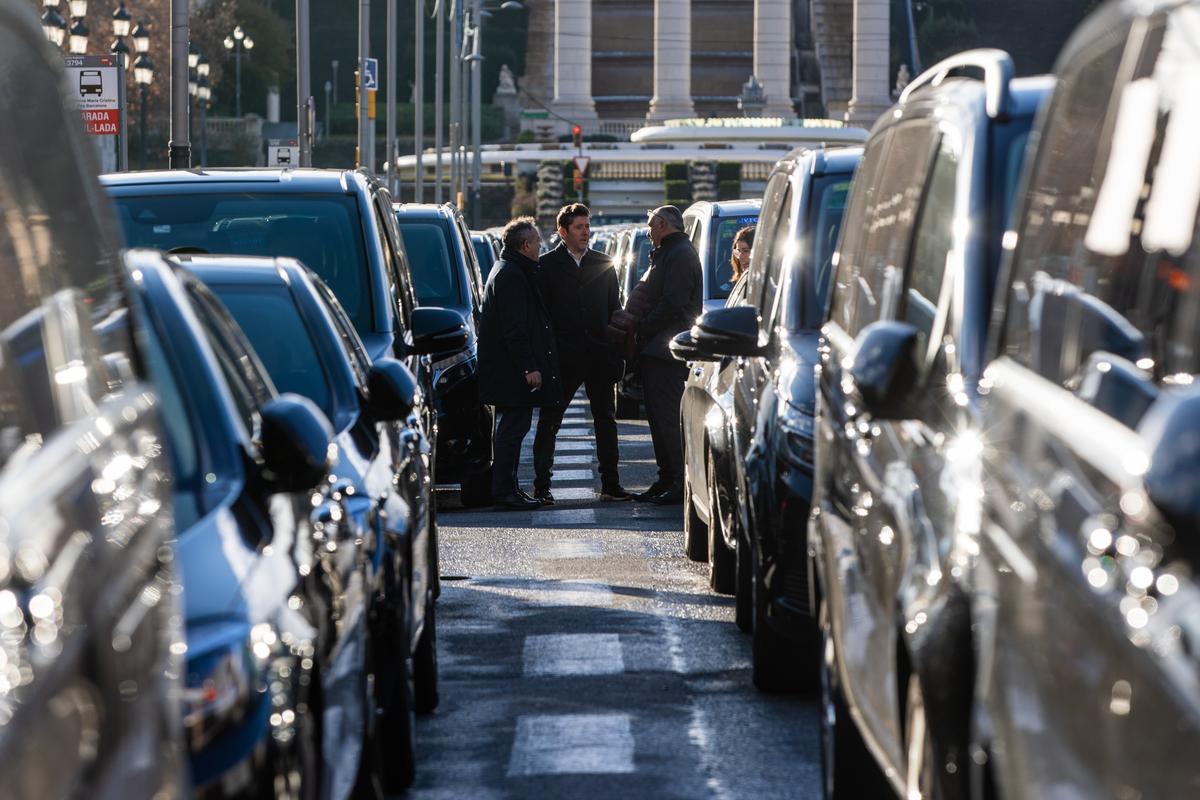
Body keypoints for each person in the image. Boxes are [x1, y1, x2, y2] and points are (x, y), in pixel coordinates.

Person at [532, 203, 631, 504]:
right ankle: (542, 487)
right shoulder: (546, 266)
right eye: (579, 227)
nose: (586, 232)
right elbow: (541, 315)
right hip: (563, 357)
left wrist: (616, 350)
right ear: (563, 232)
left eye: (587, 226)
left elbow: (615, 308)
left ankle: (611, 485)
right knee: (551, 420)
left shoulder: (604, 263)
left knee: (605, 419)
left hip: (600, 355)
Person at [477, 217, 562, 510]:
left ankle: (508, 487)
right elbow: (515, 328)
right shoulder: (512, 274)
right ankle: (504, 490)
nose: (541, 245)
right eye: (537, 241)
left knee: (512, 428)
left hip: (507, 367)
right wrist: (529, 367)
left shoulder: (510, 269)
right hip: (511, 369)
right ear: (526, 245)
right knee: (513, 429)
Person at [620, 205, 702, 505]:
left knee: (667, 418)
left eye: (652, 226)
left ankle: (679, 481)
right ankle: (666, 477)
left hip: (667, 348)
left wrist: (643, 325)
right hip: (657, 347)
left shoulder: (680, 253)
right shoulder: (669, 251)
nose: (648, 231)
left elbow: (674, 302)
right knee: (657, 417)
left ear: (665, 225)